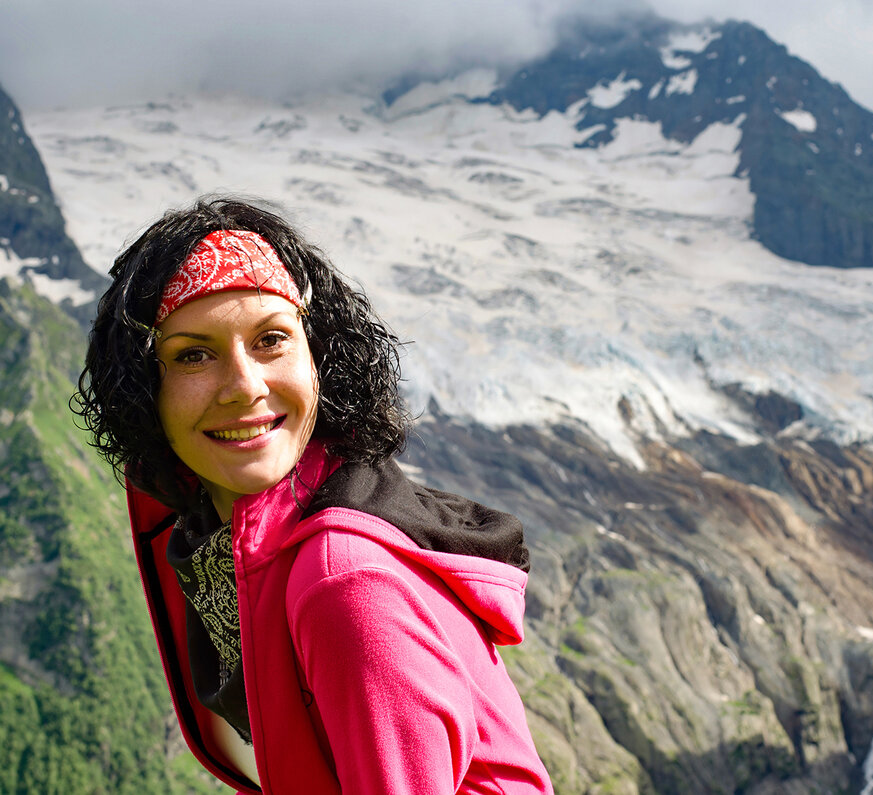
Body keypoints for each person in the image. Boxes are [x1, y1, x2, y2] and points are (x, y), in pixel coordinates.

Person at [73, 197, 553, 794]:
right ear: (147, 387)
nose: (244, 387)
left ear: (318, 358)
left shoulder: (344, 586)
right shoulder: (218, 542)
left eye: (271, 339)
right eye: (194, 354)